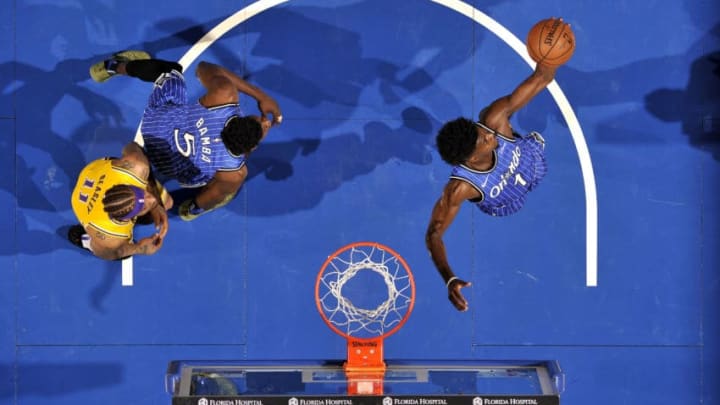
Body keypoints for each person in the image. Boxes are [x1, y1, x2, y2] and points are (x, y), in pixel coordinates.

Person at [425, 18, 571, 312]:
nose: (489, 134)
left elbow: (542, 79)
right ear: (469, 158)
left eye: (482, 130)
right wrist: (448, 277)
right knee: (501, 201)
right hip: (505, 201)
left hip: (531, 162)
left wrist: (551, 56)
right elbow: (434, 234)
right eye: (483, 139)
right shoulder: (460, 189)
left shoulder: (494, 120)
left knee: (525, 141)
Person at [89, 50, 283, 221]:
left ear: (243, 117)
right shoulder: (235, 173)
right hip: (171, 167)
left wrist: (261, 96)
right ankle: (190, 209)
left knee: (168, 71)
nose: (266, 122)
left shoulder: (224, 96)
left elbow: (203, 68)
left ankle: (113, 67)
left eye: (261, 123)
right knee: (224, 187)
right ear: (253, 148)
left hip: (156, 129)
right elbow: (212, 196)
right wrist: (195, 208)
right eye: (265, 125)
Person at [69, 142, 173, 260]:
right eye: (143, 207)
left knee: (167, 203)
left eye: (143, 193)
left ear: (127, 187)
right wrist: (140, 248)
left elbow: (131, 147)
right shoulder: (109, 238)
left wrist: (156, 206)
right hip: (83, 207)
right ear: (128, 217)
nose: (152, 198)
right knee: (120, 252)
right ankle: (86, 240)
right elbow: (108, 254)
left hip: (94, 171)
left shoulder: (137, 166)